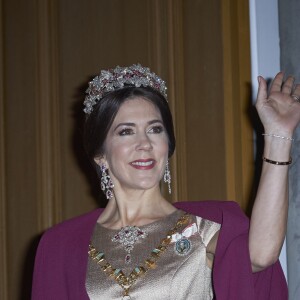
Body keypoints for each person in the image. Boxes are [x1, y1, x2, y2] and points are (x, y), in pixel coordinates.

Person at [32, 64, 300, 299]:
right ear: (101, 154)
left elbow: (261, 255)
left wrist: (278, 136)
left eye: (155, 129)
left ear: (167, 145)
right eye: (126, 132)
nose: (145, 144)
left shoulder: (200, 229)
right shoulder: (61, 244)